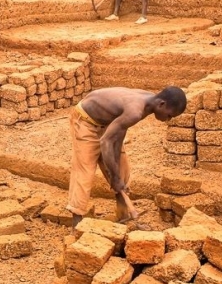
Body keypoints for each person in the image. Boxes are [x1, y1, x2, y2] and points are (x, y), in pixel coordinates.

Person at [66, 86, 187, 226]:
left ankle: (122, 215)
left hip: (106, 124)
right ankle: (77, 222)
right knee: (84, 168)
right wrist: (114, 176)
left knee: (121, 168)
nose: (168, 120)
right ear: (162, 104)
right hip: (85, 121)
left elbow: (120, 132)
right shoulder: (136, 110)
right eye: (170, 115)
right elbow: (106, 142)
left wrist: (116, 173)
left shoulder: (149, 102)